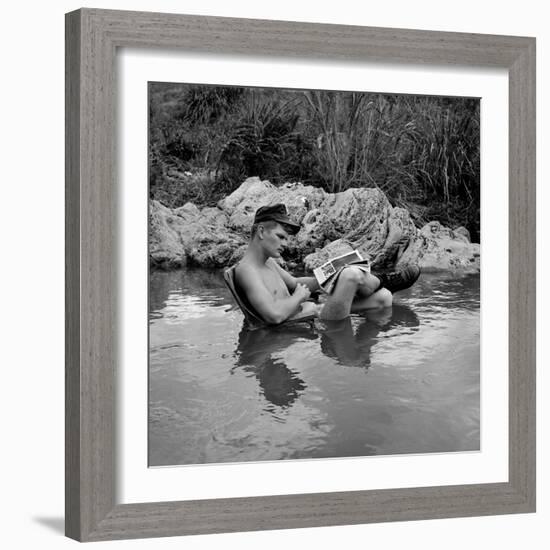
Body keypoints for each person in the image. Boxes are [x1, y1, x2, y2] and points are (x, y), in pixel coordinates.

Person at [234, 203, 420, 324]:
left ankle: (382, 333)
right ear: (260, 232)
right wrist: (298, 297)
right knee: (351, 275)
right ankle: (383, 280)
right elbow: (274, 315)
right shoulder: (247, 270)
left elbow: (295, 284)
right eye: (281, 237)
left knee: (384, 298)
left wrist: (328, 273)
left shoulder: (269, 263)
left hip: (311, 311)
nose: (285, 244)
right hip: (307, 321)